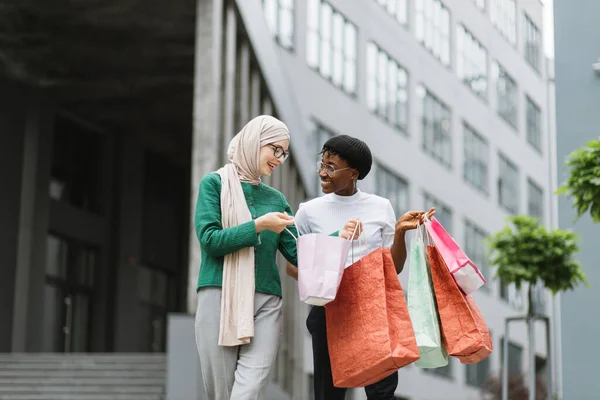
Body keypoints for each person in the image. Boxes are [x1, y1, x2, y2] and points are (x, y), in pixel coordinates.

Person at [194, 116, 358, 400]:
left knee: (250, 388)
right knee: (221, 393)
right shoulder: (214, 185)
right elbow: (210, 241)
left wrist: (338, 237)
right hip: (219, 295)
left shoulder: (277, 199)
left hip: (267, 303)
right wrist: (259, 226)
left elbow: (298, 253)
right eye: (276, 150)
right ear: (255, 142)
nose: (280, 159)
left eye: (285, 153)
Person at [287, 134, 434, 400]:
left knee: (381, 392)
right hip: (329, 311)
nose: (323, 172)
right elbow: (292, 266)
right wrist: (331, 267)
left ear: (353, 172)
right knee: (328, 393)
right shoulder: (308, 211)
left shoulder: (380, 207)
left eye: (331, 166)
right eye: (322, 164)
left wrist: (400, 232)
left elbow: (394, 268)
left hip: (374, 309)